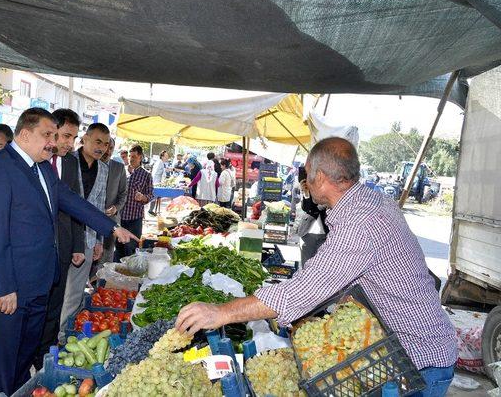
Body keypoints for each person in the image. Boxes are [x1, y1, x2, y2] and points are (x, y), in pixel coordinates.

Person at [176, 137, 457, 397]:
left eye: (308, 173)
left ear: (320, 177)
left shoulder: (360, 224)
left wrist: (220, 313)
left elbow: (297, 294)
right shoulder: (371, 201)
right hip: (410, 348)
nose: (305, 181)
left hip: (419, 361)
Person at [0, 108, 136, 397]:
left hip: (40, 280)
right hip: (11, 285)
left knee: (26, 353)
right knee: (5, 358)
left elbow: (71, 201)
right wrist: (5, 288)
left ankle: (19, 392)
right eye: (47, 135)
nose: (53, 142)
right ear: (25, 134)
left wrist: (111, 228)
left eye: (54, 135)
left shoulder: (43, 167)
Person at [32, 108, 82, 371]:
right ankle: (28, 354)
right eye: (65, 136)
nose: (70, 144)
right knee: (34, 309)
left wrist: (78, 245)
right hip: (35, 252)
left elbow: (76, 205)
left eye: (73, 138)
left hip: (62, 247)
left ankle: (45, 360)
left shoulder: (71, 163)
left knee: (55, 306)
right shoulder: (34, 161)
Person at [58, 123, 111, 341]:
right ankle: (55, 332)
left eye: (106, 144)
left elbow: (98, 206)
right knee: (59, 290)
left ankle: (64, 334)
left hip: (88, 238)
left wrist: (99, 239)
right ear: (85, 138)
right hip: (63, 235)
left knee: (76, 290)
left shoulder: (104, 169)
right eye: (98, 141)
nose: (102, 148)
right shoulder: (66, 162)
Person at [92, 138, 127, 277]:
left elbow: (123, 193)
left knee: (106, 255)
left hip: (111, 219)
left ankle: (101, 285)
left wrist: (116, 208)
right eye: (107, 147)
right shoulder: (91, 165)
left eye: (112, 148)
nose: (108, 151)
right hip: (91, 220)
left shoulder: (119, 168)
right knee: (91, 253)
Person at [115, 145, 153, 261]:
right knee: (119, 247)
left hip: (135, 218)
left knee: (132, 248)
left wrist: (143, 197)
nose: (131, 159)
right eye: (130, 156)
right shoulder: (122, 171)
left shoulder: (146, 175)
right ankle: (118, 273)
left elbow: (150, 195)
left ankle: (130, 273)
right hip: (120, 217)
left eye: (134, 157)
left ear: (140, 157)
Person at [148, 150, 169, 215]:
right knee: (153, 197)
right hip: (155, 182)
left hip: (157, 182)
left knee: (155, 196)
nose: (167, 157)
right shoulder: (159, 162)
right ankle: (150, 210)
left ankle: (152, 210)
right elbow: (155, 173)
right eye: (166, 156)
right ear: (162, 156)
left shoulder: (161, 162)